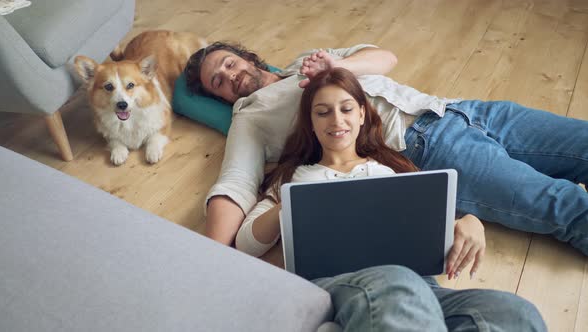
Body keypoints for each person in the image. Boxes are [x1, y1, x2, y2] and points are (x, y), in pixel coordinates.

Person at [184, 42, 588, 255]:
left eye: (229, 63)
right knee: (565, 206)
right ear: (219, 98)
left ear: (246, 58)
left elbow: (384, 57)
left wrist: (337, 69)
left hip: (455, 108)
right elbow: (234, 183)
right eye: (217, 81)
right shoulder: (249, 117)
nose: (229, 76)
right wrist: (214, 260)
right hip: (425, 148)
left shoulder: (306, 59)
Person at [234, 67, 547, 331]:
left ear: (361, 115)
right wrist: (288, 207)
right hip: (339, 286)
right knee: (397, 283)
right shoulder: (292, 178)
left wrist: (470, 223)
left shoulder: (391, 171)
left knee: (514, 313)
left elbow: (429, 228)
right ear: (311, 122)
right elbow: (247, 243)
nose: (336, 120)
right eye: (322, 112)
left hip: (419, 288)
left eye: (345, 109)